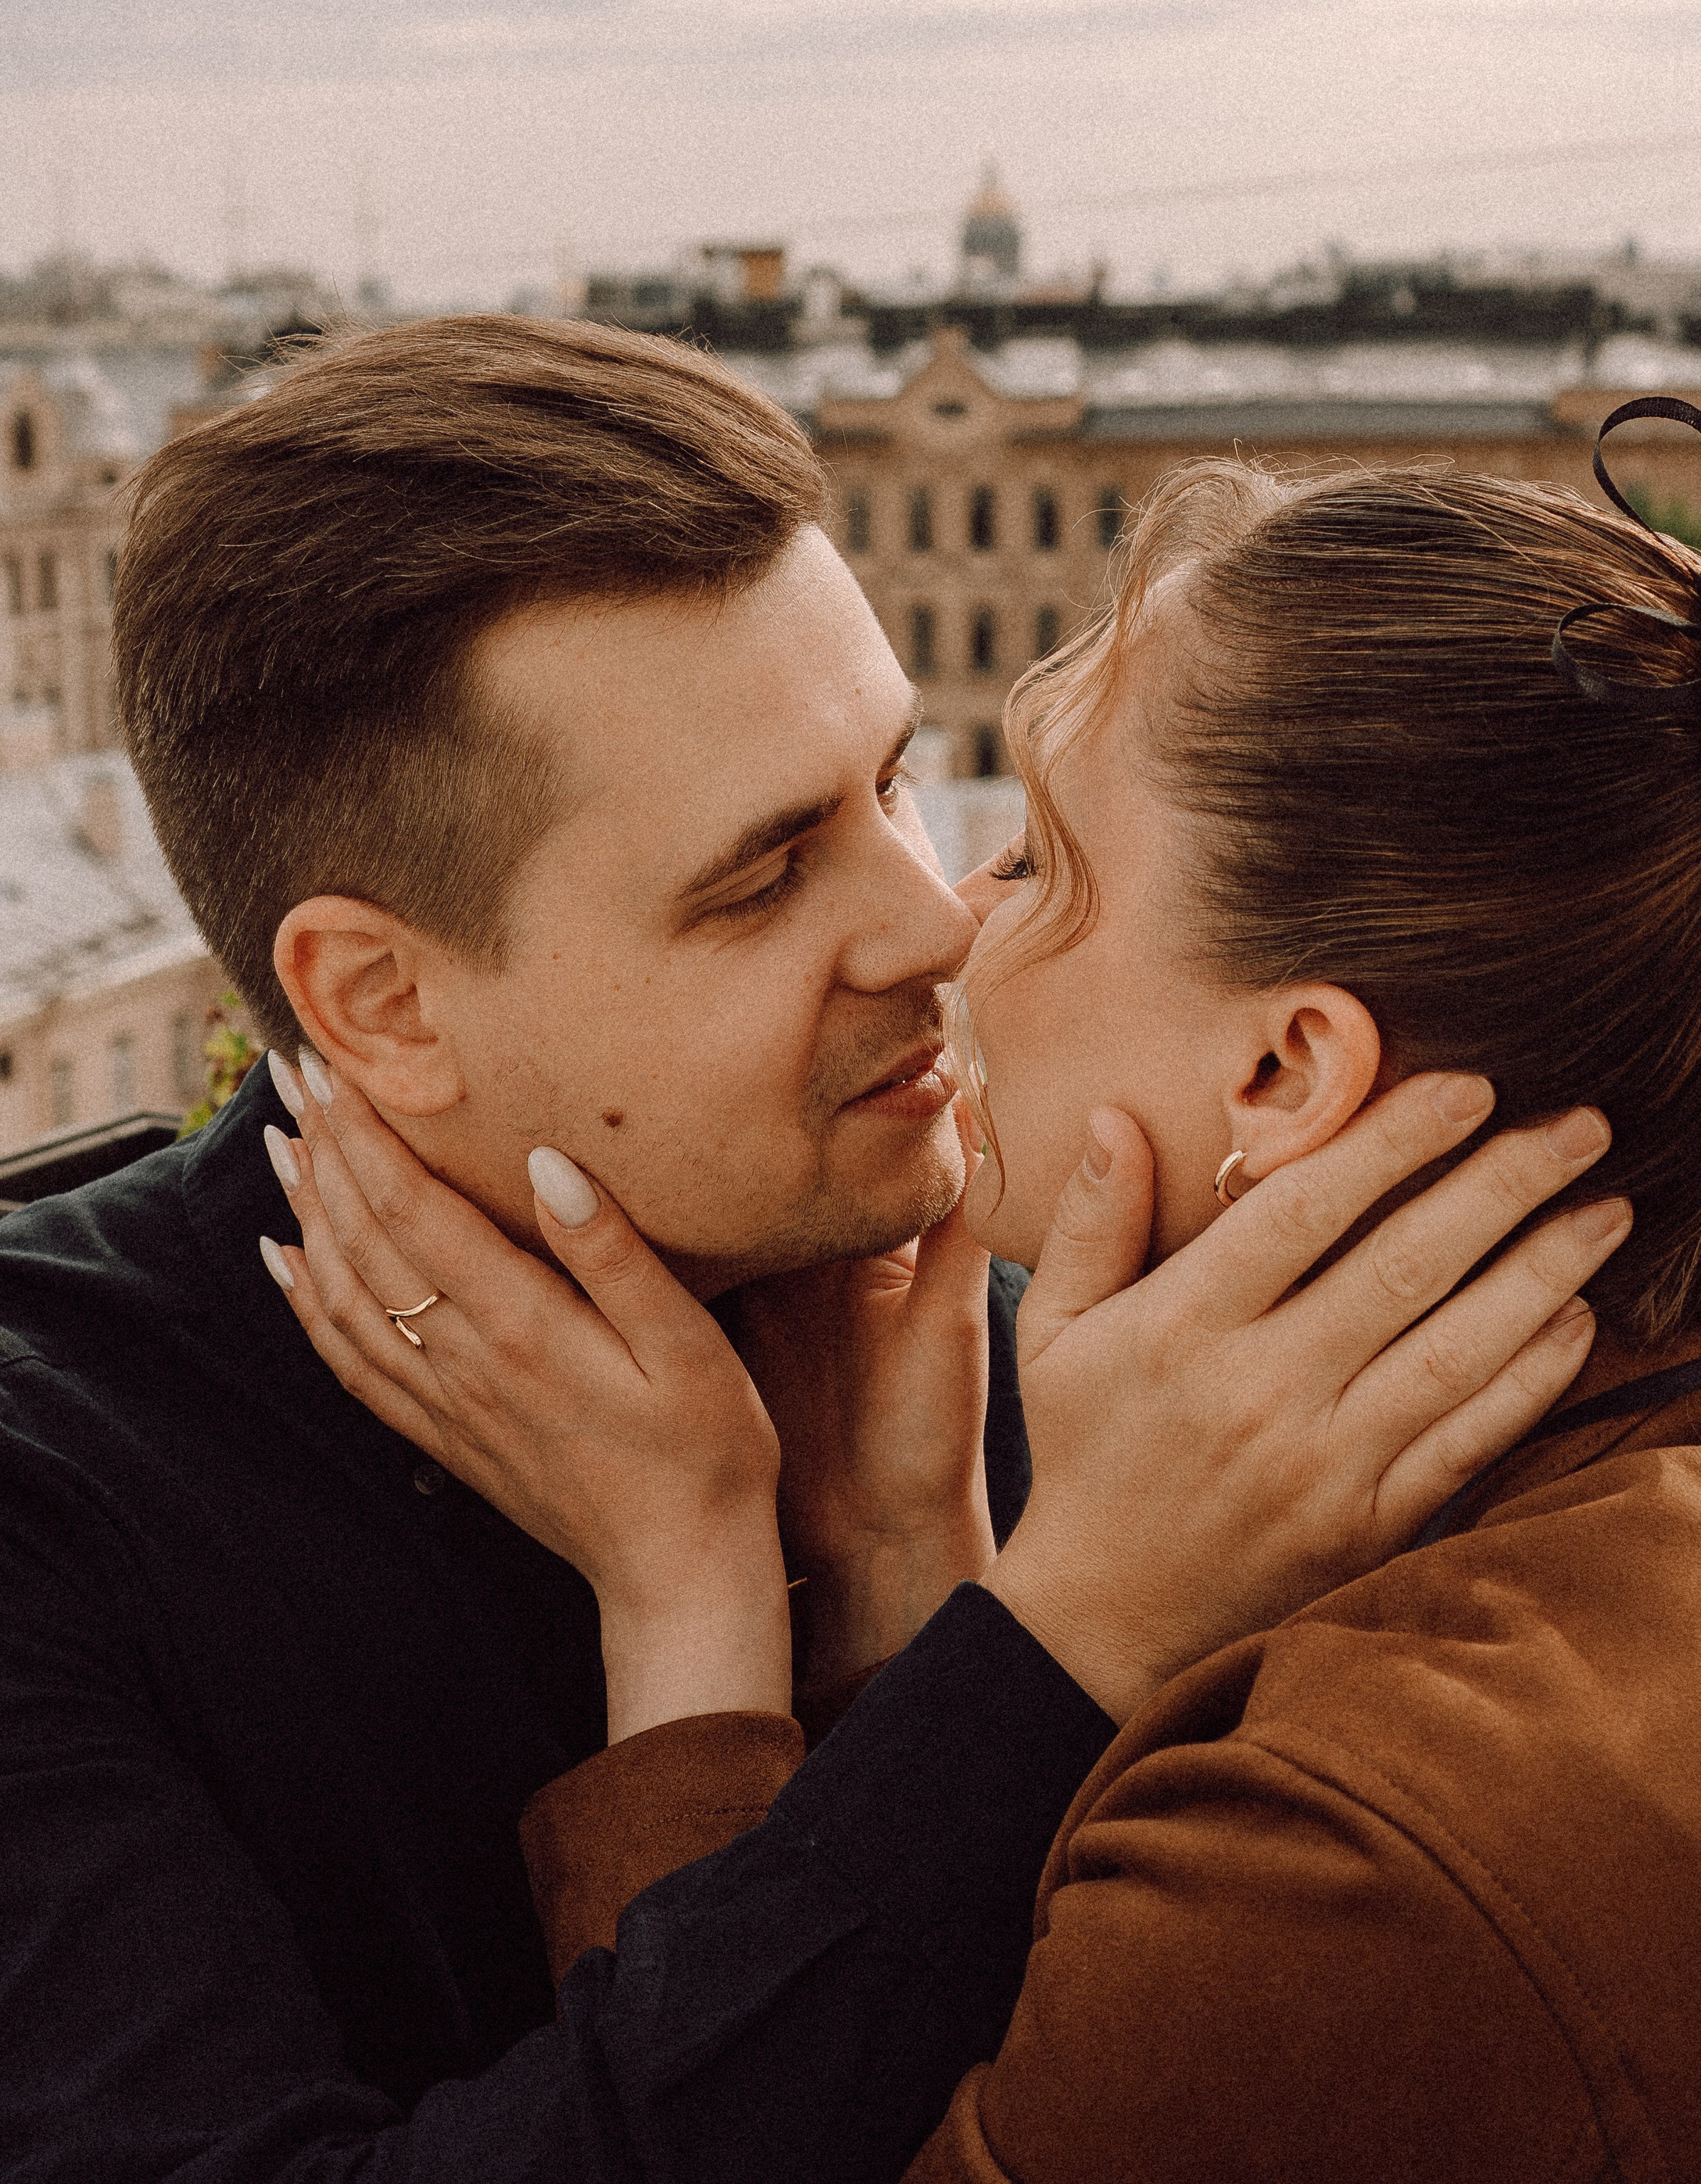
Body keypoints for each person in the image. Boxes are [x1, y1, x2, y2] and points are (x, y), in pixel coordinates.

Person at [0, 314, 1605, 2184]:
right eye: (764, 874)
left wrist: (904, 1603)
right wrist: (1045, 1650)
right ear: (380, 1004)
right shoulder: (54, 1508)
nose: (934, 924)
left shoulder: (1070, 1347)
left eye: (901, 782)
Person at [277, 398, 1701, 2182]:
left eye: (1037, 857)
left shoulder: (1351, 1860)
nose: (947, 923)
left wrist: (693, 1609)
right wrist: (903, 1597)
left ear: (1282, 1075)